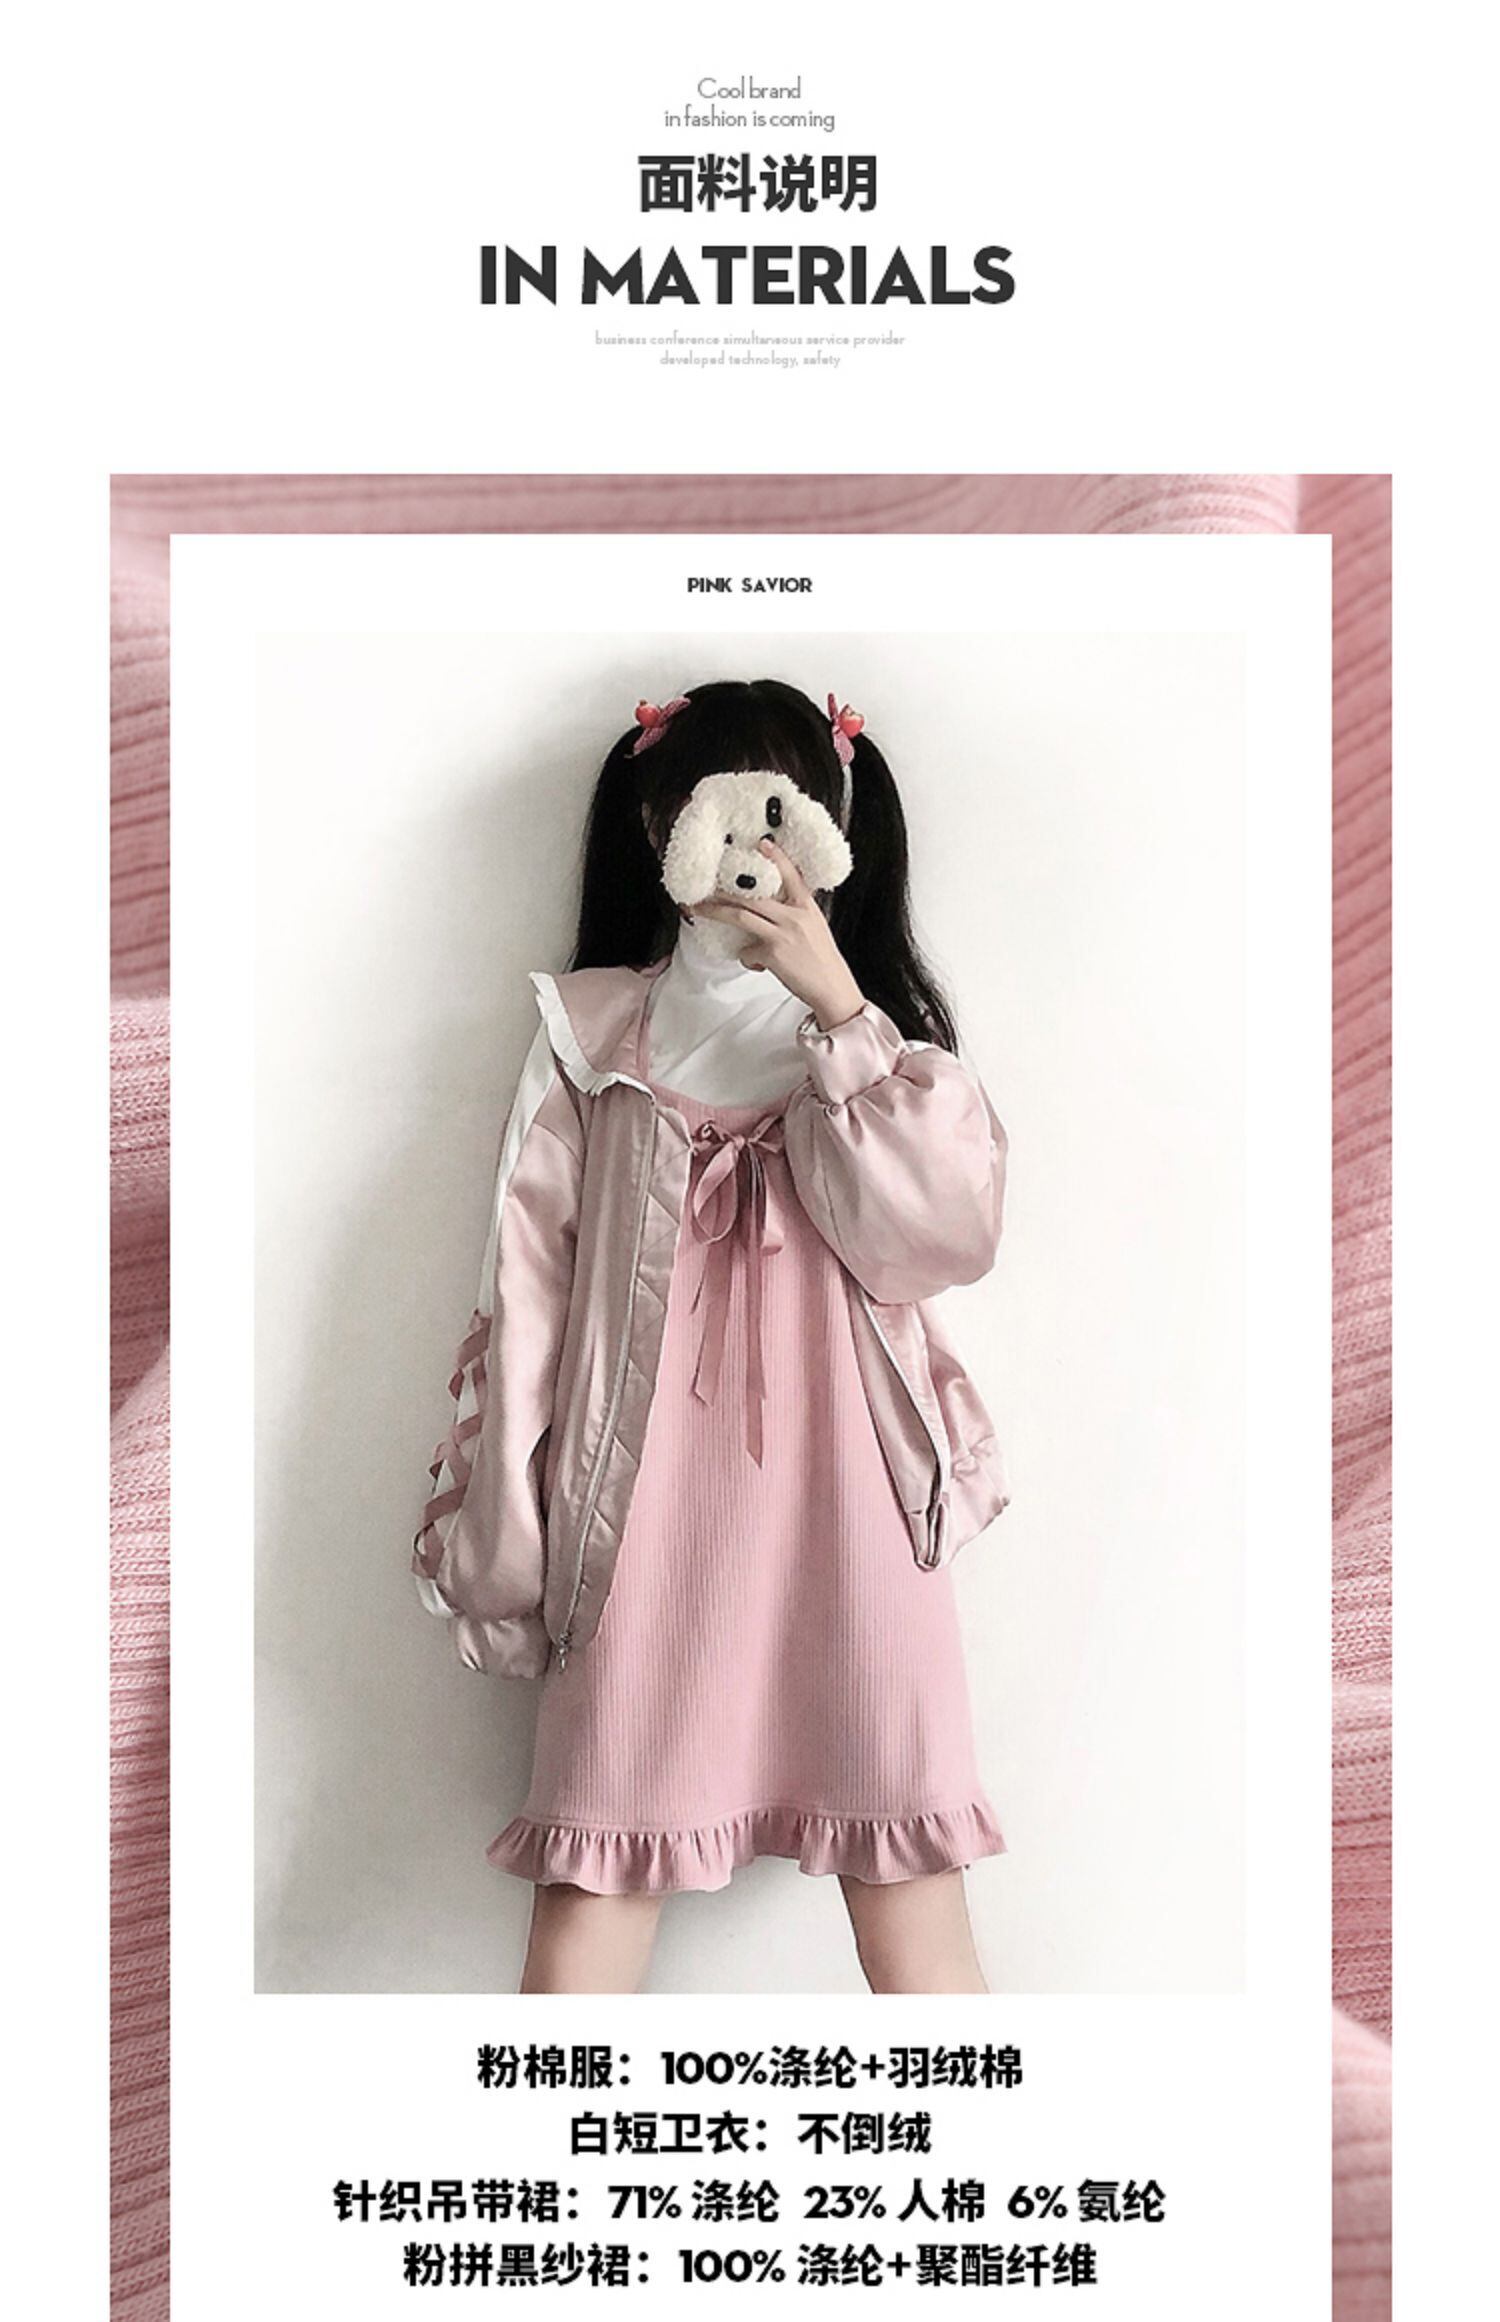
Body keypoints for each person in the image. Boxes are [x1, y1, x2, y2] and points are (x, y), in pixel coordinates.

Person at [412, 677, 1011, 1993]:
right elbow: (526, 1304)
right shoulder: (589, 1037)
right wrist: (509, 1541)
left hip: (852, 1510)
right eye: (713, 809)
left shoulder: (874, 1049)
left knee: (919, 1932)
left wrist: (840, 1008)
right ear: (655, 824)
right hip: (639, 1522)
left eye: (781, 814)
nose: (750, 848)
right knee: (584, 1926)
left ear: (831, 831)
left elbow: (939, 1240)